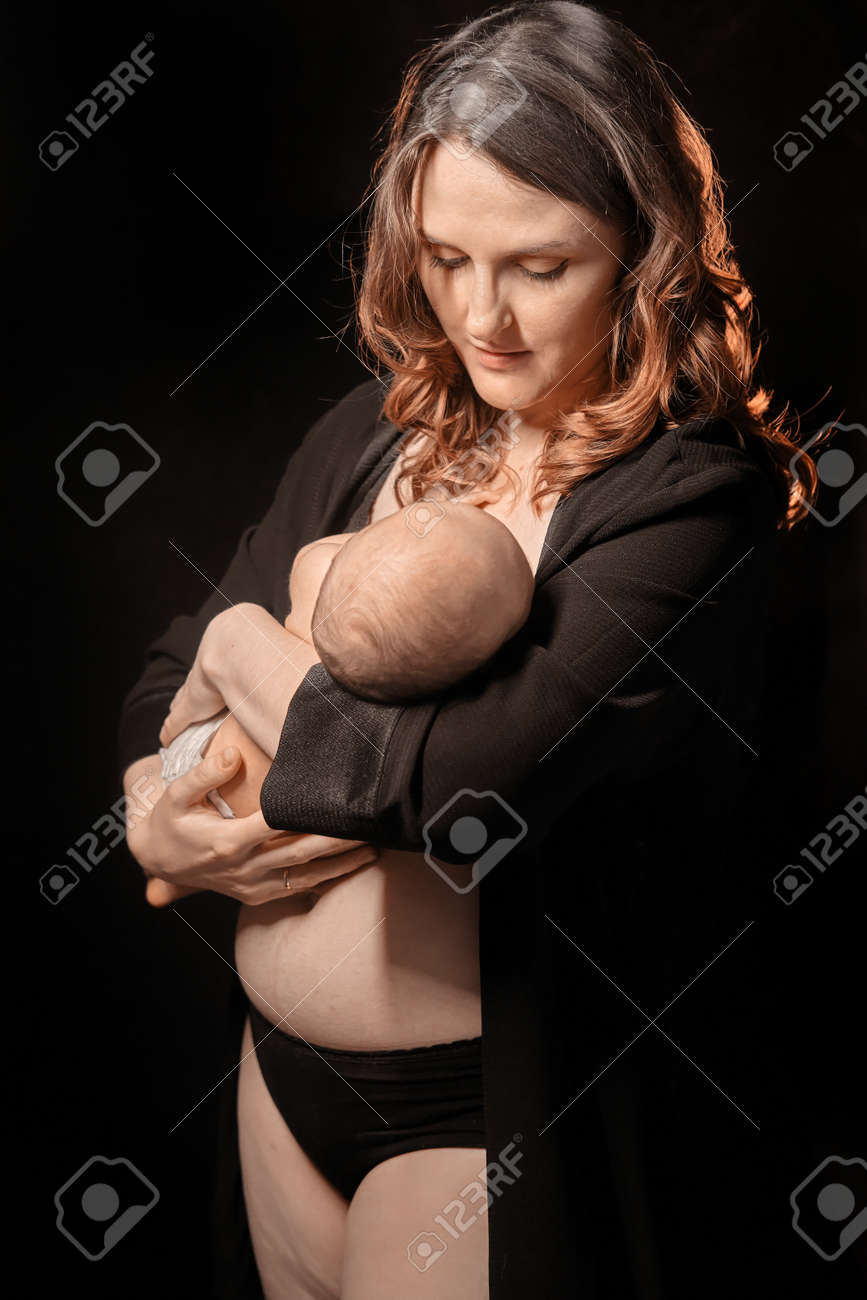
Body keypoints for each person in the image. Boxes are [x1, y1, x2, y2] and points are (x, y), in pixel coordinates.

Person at [117, 4, 820, 1297]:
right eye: (444, 258)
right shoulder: (382, 432)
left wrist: (241, 649)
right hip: (280, 1084)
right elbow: (164, 674)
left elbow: (456, 797)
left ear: (641, 249)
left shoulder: (687, 500)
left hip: (468, 1121)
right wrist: (148, 809)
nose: (480, 318)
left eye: (536, 266)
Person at [147, 498, 533, 905]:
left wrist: (183, 716)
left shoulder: (316, 570)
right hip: (308, 821)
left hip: (204, 758)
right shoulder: (444, 681)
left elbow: (319, 557)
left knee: (193, 719)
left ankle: (170, 875)